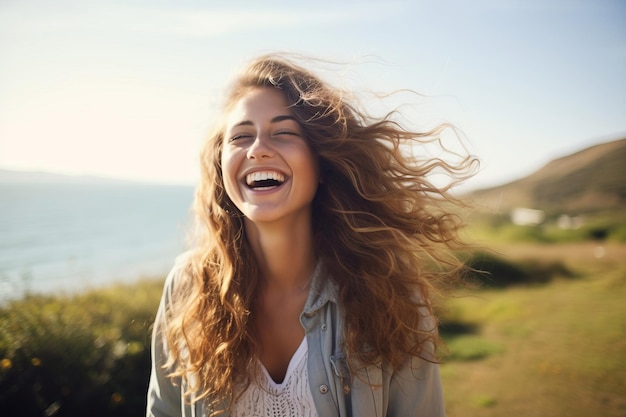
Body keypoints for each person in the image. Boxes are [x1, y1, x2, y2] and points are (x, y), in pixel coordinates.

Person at [147, 54, 476, 417]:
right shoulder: (188, 288)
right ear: (221, 165)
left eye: (284, 132)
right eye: (241, 136)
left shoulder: (389, 292)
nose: (257, 149)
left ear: (321, 163)